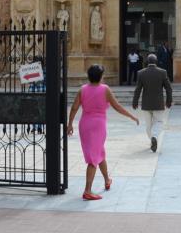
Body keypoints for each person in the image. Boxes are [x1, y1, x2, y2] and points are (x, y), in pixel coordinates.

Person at [67, 64, 139, 201]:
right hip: (98, 126)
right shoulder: (105, 89)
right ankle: (87, 190)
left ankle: (107, 180)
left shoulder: (82, 90)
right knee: (93, 158)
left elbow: (74, 108)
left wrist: (70, 124)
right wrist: (131, 116)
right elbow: (117, 106)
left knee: (99, 152)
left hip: (85, 125)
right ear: (101, 76)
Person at [133, 54, 173, 153]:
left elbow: (137, 89)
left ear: (147, 62)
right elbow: (169, 88)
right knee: (158, 122)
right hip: (158, 103)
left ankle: (152, 140)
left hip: (146, 104)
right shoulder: (162, 72)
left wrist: (135, 101)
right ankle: (154, 137)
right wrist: (168, 101)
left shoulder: (141, 73)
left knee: (148, 126)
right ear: (156, 62)